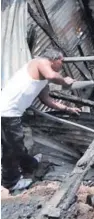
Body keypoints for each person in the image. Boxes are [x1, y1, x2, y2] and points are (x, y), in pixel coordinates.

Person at [1, 48, 81, 192]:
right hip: (7, 112)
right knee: (11, 149)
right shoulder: (40, 62)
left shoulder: (43, 79)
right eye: (61, 62)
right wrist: (65, 81)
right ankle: (10, 182)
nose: (62, 65)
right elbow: (52, 75)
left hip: (14, 113)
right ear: (53, 60)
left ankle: (29, 164)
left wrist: (67, 109)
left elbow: (46, 100)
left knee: (17, 143)